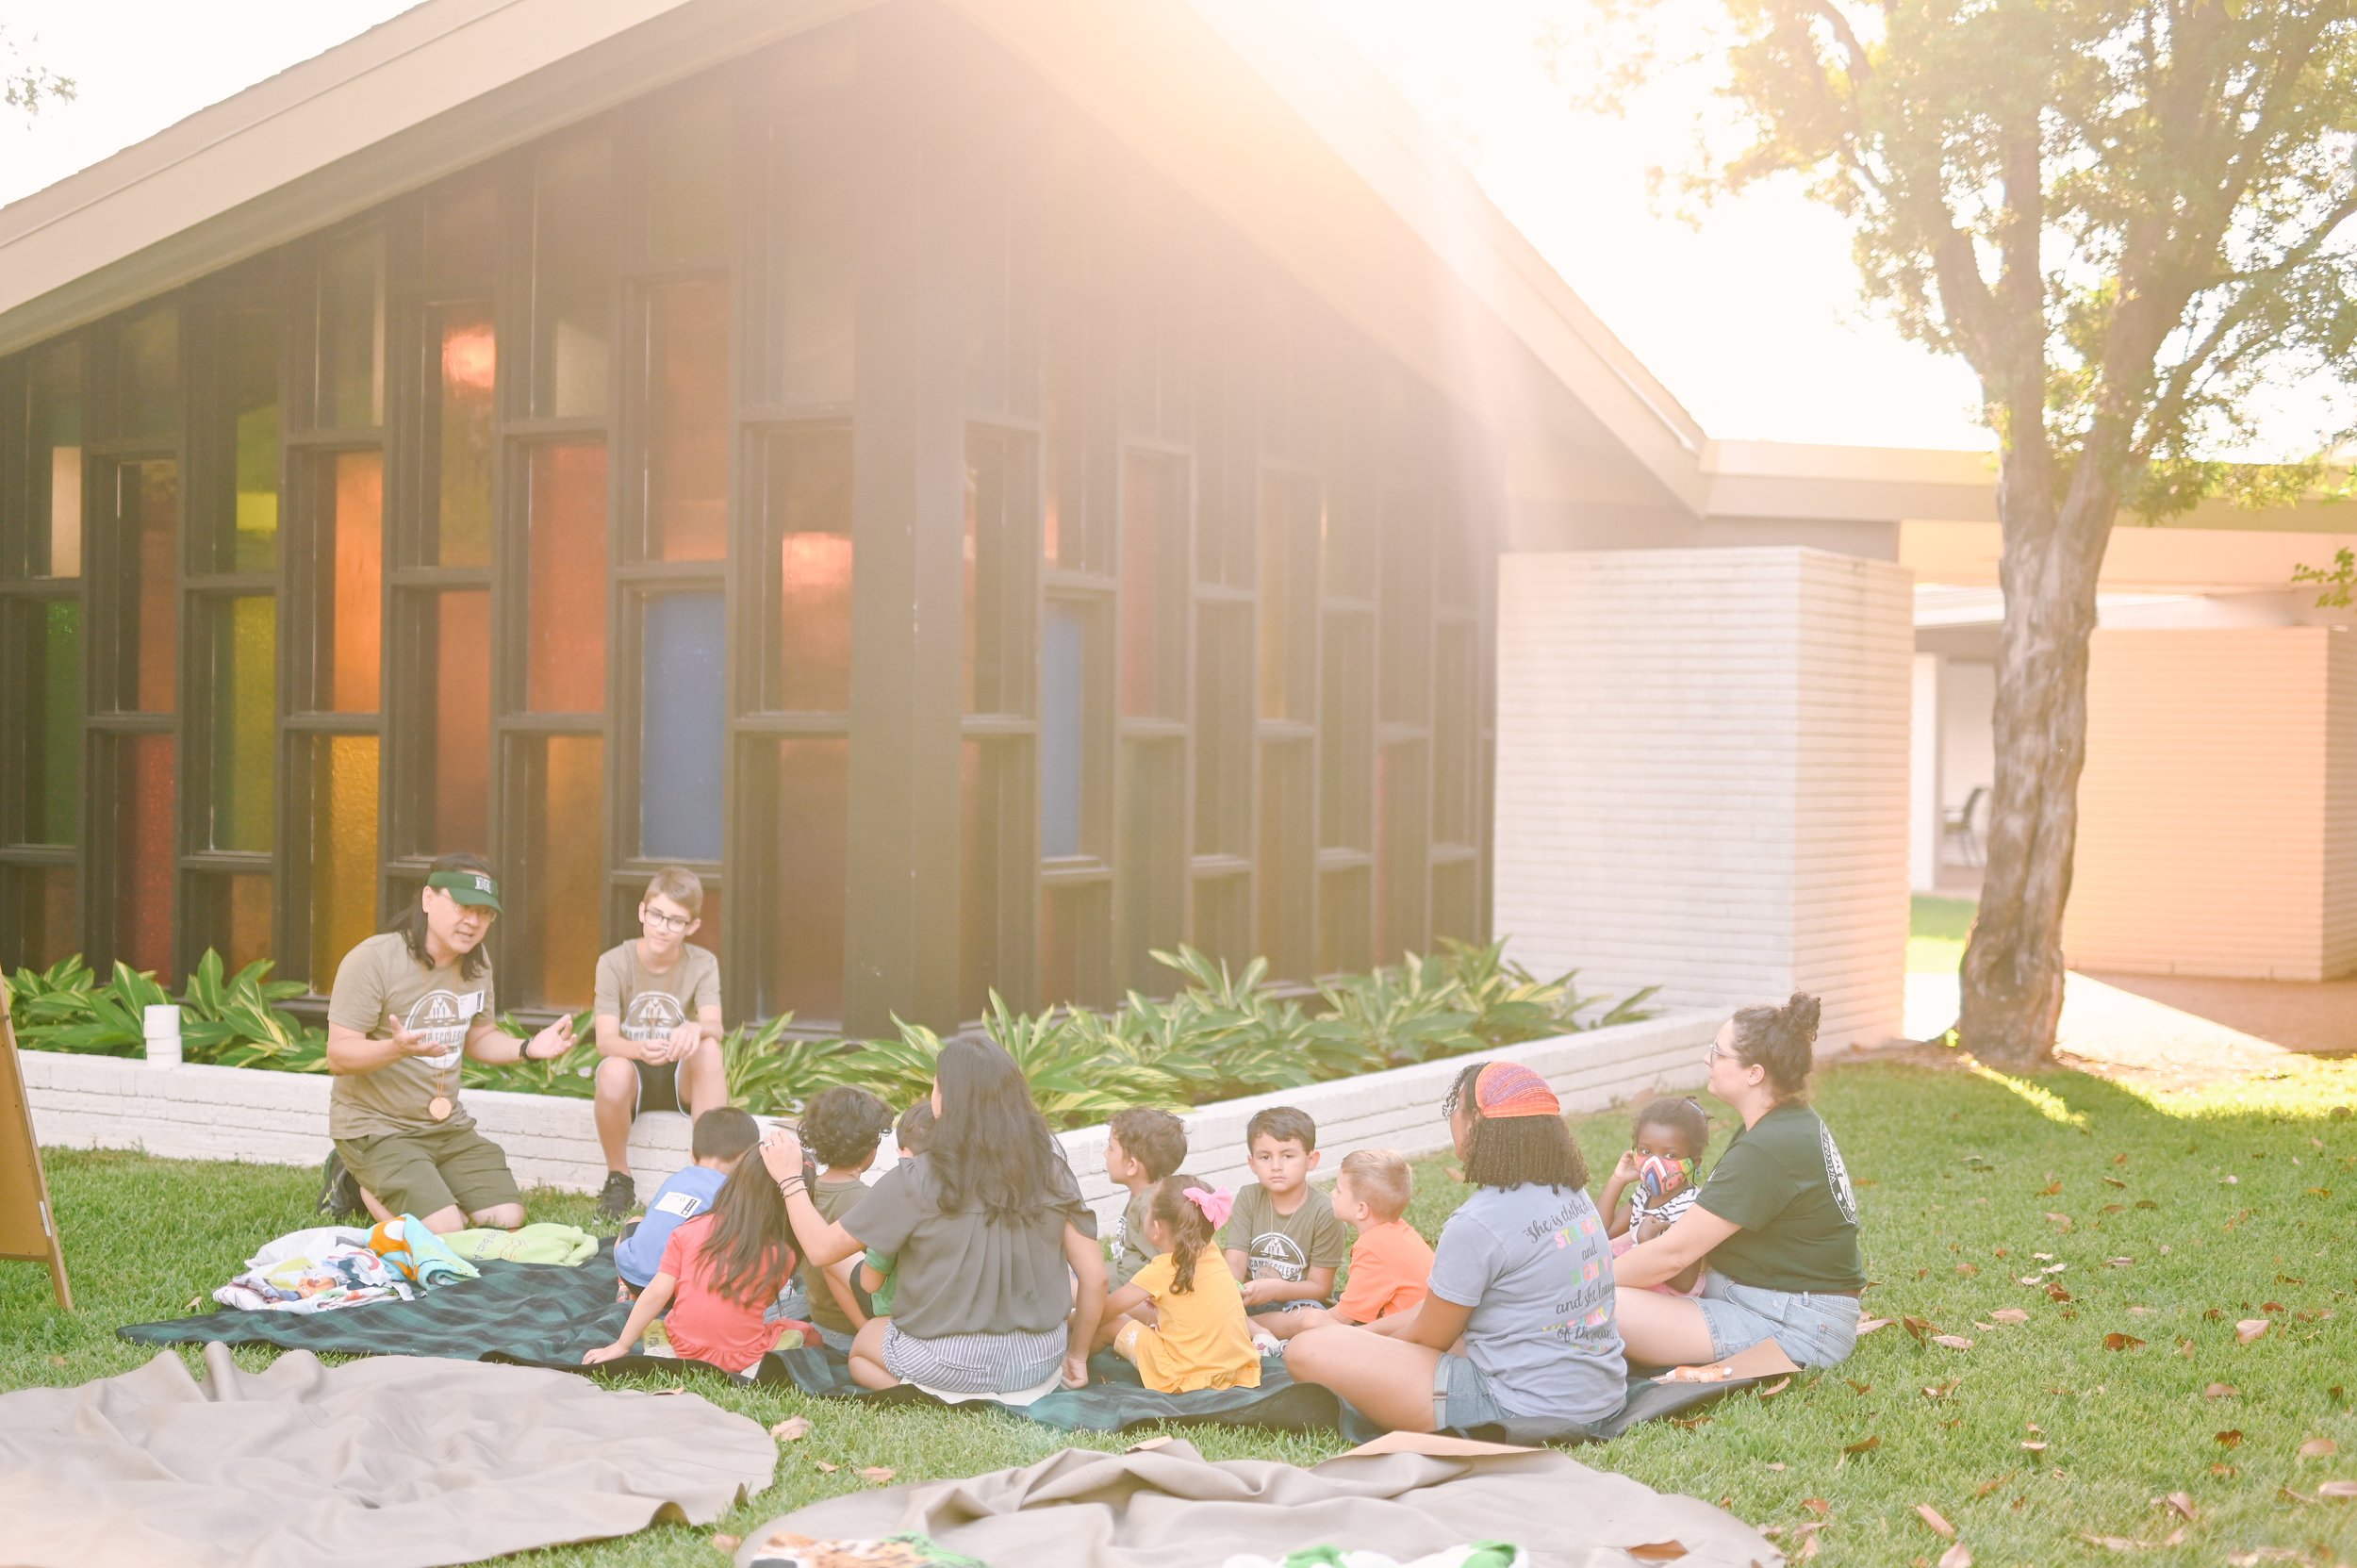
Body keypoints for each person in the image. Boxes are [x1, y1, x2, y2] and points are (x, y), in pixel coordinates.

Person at [1285, 1062, 1625, 1435]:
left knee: (1307, 1350)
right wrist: (1362, 1336)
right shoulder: (1571, 1194)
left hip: (1519, 1407)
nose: (1452, 1119)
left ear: (1475, 1123)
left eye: (1456, 1107)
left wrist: (1354, 1349)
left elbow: (1427, 1339)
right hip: (1600, 1397)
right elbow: (1439, 1310)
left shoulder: (1478, 1222)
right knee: (1351, 1338)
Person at [762, 1038, 1103, 1395]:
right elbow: (1095, 1279)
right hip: (1039, 1360)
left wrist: (790, 1179)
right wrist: (1077, 1356)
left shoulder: (914, 1178)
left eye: (935, 1084)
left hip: (948, 1362)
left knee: (863, 1348)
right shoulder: (1053, 1171)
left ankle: (941, 1399)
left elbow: (820, 1250)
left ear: (947, 1100)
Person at [321, 854, 576, 1235]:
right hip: (376, 1127)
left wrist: (527, 1048)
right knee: (447, 1230)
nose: (472, 921)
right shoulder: (372, 960)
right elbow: (339, 1056)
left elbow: (480, 1038)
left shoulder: (476, 962)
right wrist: (396, 1049)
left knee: (506, 1217)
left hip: (446, 1127)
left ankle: (416, 1179)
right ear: (428, 899)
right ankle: (357, 1181)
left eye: (484, 913)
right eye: (462, 906)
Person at [1612, 993, 1865, 1369]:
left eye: (1718, 1052)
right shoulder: (1783, 1122)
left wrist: (1579, 1287)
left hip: (1797, 1326)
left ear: (1754, 1073)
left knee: (1598, 1305)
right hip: (1771, 1301)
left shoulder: (1769, 1147)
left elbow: (1672, 1255)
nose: (1707, 1059)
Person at [583, 1141, 814, 1375]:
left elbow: (656, 1293)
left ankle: (663, 1347)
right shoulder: (784, 1254)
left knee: (664, 1321)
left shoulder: (689, 1229)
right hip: (743, 1354)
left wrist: (622, 1345)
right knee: (799, 1329)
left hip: (683, 1346)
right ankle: (761, 1363)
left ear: (736, 1181)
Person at [591, 867, 726, 1217]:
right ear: (642, 911)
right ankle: (619, 1178)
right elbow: (606, 1041)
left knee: (709, 1048)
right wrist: (638, 1049)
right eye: (656, 915)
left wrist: (695, 1028)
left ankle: (710, 1176)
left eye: (675, 921)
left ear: (692, 926)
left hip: (681, 1073)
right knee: (612, 1070)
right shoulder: (613, 962)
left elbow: (715, 1026)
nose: (662, 927)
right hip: (633, 1072)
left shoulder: (703, 963)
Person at [1093, 1175, 1260, 1394]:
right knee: (1145, 1316)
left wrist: (1073, 1320)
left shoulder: (1161, 1269)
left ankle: (1073, 1361)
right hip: (1235, 1371)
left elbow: (1105, 1311)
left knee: (1113, 1322)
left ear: (1156, 1228)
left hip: (1182, 1377)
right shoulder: (1212, 1252)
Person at [1220, 1106, 1349, 1342]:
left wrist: (1275, 1289)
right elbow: (1234, 1262)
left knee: (1311, 1320)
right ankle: (1245, 1327)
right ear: (1252, 1163)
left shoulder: (1325, 1211)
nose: (1276, 1166)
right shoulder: (1248, 1197)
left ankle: (1241, 1328)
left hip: (1297, 1306)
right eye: (1265, 1157)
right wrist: (1232, 1290)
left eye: (1288, 1156)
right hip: (1248, 1301)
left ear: (1311, 1160)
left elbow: (1320, 1287)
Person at [615, 1106, 760, 1295]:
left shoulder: (675, 1180)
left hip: (632, 1276)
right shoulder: (732, 1193)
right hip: (678, 1288)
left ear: (692, 1154)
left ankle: (623, 1286)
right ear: (745, 1160)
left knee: (635, 1220)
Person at [792, 1085, 895, 1350]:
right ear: (869, 1147)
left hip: (819, 1317)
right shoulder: (869, 1202)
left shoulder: (803, 1194)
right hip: (852, 1328)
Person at [1288, 1148, 1434, 1329]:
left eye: (1339, 1191)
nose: (1333, 1193)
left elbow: (1343, 1317)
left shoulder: (1372, 1248)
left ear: (1361, 1209)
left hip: (1404, 1336)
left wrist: (1306, 1325)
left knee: (1312, 1320)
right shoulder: (1399, 1232)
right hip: (1421, 1326)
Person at [1600, 1096, 1712, 1296]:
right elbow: (1600, 1233)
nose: (1654, 1163)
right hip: (1640, 1278)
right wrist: (1617, 1180)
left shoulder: (1690, 1207)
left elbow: (1684, 1283)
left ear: (1693, 1163)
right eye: (1645, 1151)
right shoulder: (1645, 1193)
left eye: (1670, 1155)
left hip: (1668, 1298)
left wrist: (1648, 1241)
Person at [859, 1099, 935, 1317]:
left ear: (904, 1153)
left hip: (901, 1316)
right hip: (959, 1315)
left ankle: (866, 1331)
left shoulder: (900, 1202)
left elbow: (869, 1283)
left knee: (840, 1262)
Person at [1104, 1107, 1188, 1292]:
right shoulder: (1143, 1196)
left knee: (1070, 1285)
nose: (1105, 1153)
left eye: (1111, 1148)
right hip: (1122, 1277)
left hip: (1129, 1291)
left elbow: (1166, 1268)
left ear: (1132, 1165)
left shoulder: (1150, 1207)